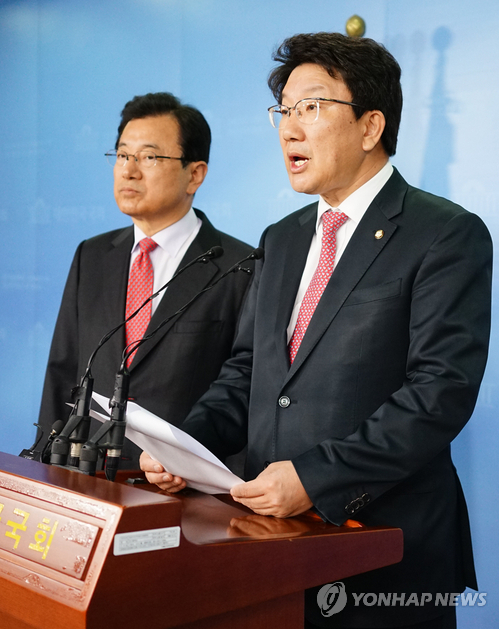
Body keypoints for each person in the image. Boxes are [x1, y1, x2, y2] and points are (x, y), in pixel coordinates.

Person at [141, 34, 492, 628]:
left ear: (370, 126)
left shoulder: (445, 233)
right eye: (283, 111)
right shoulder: (282, 238)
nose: (289, 129)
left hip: (387, 552)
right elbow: (249, 372)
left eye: (311, 107)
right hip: (272, 546)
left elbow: (439, 393)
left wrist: (315, 477)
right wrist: (187, 447)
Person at [36, 92, 253, 470]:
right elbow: (63, 371)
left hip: (182, 484)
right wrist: (45, 465)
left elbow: (243, 390)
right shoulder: (92, 255)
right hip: (85, 476)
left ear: (195, 174)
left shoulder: (240, 266)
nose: (129, 171)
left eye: (149, 157)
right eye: (122, 155)